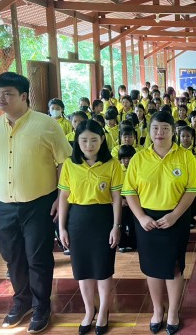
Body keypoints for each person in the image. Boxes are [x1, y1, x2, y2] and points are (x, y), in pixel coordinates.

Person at [0, 72, 72, 333]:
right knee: (12, 258)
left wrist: (58, 195)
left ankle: (41, 304)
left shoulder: (47, 125)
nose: (1, 98)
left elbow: (63, 162)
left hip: (39, 204)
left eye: (7, 93)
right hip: (3, 205)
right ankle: (22, 301)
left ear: (23, 96)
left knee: (38, 257)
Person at [122, 111, 196, 335]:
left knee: (174, 267)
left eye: (165, 128)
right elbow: (130, 191)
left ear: (172, 131)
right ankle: (158, 310)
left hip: (175, 219)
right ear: (149, 131)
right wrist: (141, 217)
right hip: (146, 219)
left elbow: (193, 189)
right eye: (155, 128)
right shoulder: (139, 158)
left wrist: (175, 215)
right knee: (152, 268)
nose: (160, 133)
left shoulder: (185, 156)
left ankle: (174, 311)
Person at [57, 120, 123, 335]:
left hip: (103, 220)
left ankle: (103, 312)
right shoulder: (70, 164)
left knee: (103, 271)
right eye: (84, 140)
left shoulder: (112, 164)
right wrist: (62, 227)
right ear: (77, 140)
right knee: (83, 271)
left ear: (102, 140)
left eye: (94, 139)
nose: (88, 144)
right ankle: (88, 311)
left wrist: (116, 226)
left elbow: (115, 198)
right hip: (77, 221)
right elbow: (64, 197)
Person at [118, 145, 137, 253]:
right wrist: (121, 200)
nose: (126, 161)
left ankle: (134, 243)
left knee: (133, 223)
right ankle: (123, 243)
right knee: (121, 223)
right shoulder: (118, 169)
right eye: (124, 158)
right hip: (121, 199)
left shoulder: (137, 169)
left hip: (134, 199)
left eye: (129, 158)